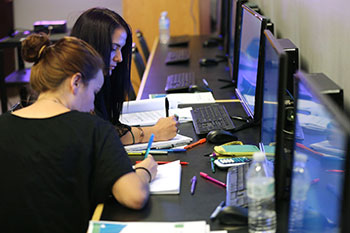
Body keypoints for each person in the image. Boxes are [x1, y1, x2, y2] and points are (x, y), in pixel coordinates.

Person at [0, 33, 157, 233]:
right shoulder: (94, 130)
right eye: (93, 91)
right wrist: (145, 172)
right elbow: (135, 196)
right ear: (75, 82)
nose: (92, 104)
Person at [71, 7, 178, 145]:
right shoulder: (75, 89)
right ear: (93, 47)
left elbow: (106, 128)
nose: (119, 58)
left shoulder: (101, 81)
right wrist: (155, 132)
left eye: (121, 49)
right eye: (113, 48)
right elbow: (99, 137)